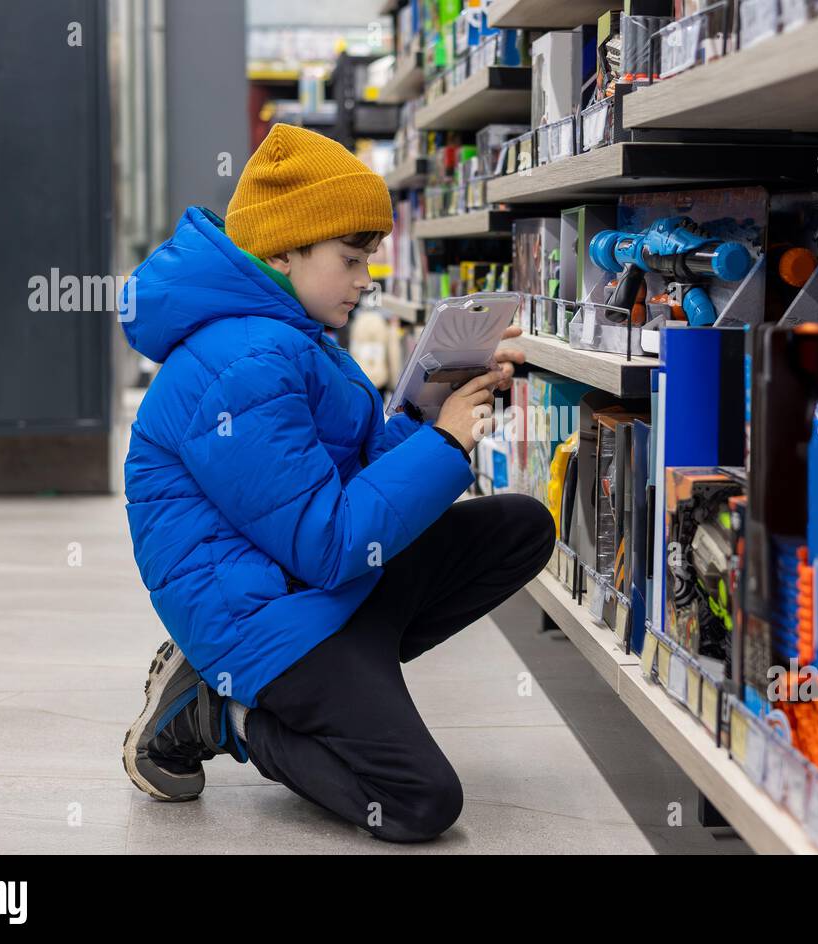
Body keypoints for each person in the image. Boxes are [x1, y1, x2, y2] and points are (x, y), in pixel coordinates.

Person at [118, 124, 555, 842]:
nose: (366, 279)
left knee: (522, 528)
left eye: (369, 259)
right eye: (351, 260)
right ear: (285, 252)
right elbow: (327, 540)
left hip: (318, 585)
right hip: (265, 620)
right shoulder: (242, 366)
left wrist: (425, 407)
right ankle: (219, 714)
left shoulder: (291, 335)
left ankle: (356, 674)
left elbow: (345, 478)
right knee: (418, 802)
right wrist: (444, 439)